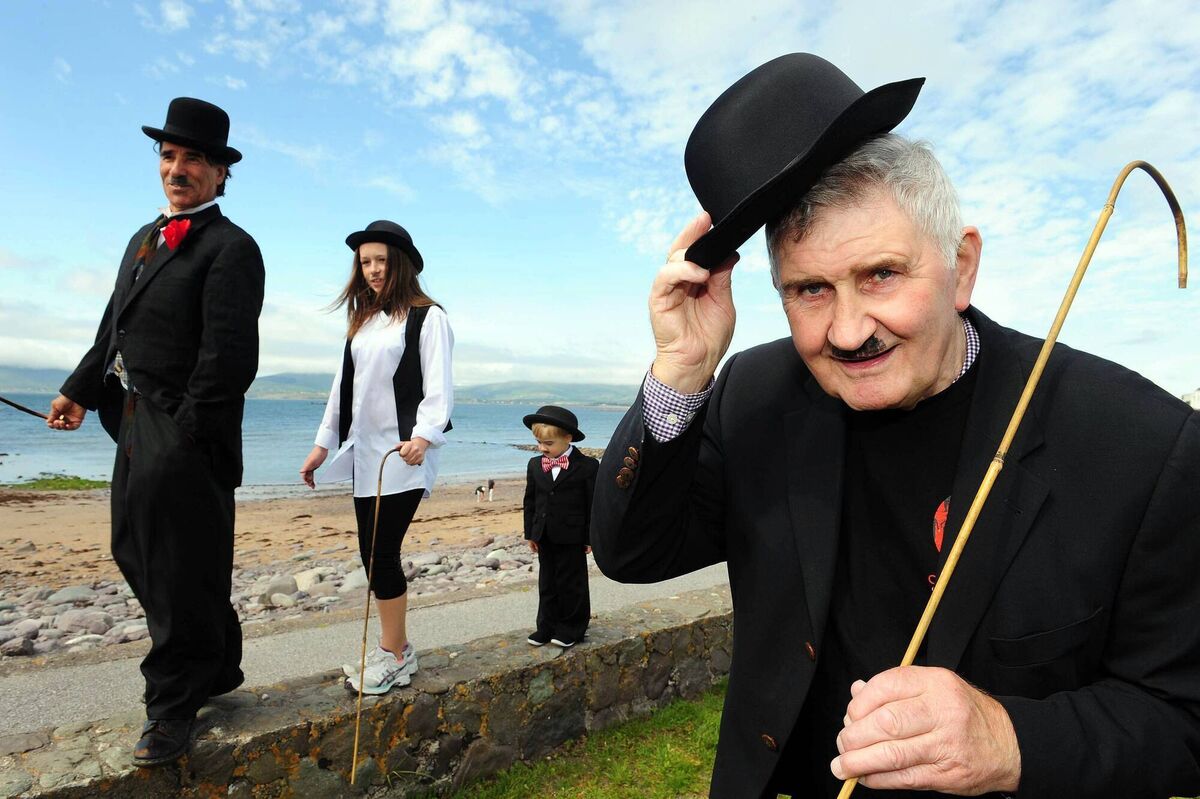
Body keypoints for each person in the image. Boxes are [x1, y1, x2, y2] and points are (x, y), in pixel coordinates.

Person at [589, 53, 1200, 799]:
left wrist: (1009, 739)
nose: (848, 331)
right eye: (810, 289)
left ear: (962, 265)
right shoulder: (754, 393)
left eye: (880, 274)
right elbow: (630, 551)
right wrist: (682, 371)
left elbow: (1182, 717)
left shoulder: (1142, 443)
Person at [47, 97, 264, 766]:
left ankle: (170, 710)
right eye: (169, 157)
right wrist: (78, 389)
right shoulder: (143, 238)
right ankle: (217, 660)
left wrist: (186, 440)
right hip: (135, 419)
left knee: (176, 569)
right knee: (138, 549)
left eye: (193, 159)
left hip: (187, 435)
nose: (178, 168)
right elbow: (115, 322)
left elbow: (229, 359)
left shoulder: (233, 248)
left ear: (222, 172)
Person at [300, 220, 453, 695]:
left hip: (404, 456)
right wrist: (323, 444)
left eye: (381, 260)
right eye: (365, 262)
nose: (372, 270)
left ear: (400, 262)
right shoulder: (363, 322)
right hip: (365, 458)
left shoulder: (428, 317)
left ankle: (394, 654)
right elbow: (341, 388)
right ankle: (397, 648)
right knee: (371, 555)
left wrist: (424, 437)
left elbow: (438, 385)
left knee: (382, 553)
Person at [522, 405, 598, 649]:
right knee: (547, 582)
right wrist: (531, 534)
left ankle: (573, 627)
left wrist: (590, 537)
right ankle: (546, 625)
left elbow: (593, 504)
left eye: (548, 443)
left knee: (572, 583)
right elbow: (530, 501)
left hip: (573, 535)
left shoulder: (587, 466)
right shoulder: (535, 465)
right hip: (544, 533)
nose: (542, 448)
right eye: (538, 442)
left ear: (568, 438)